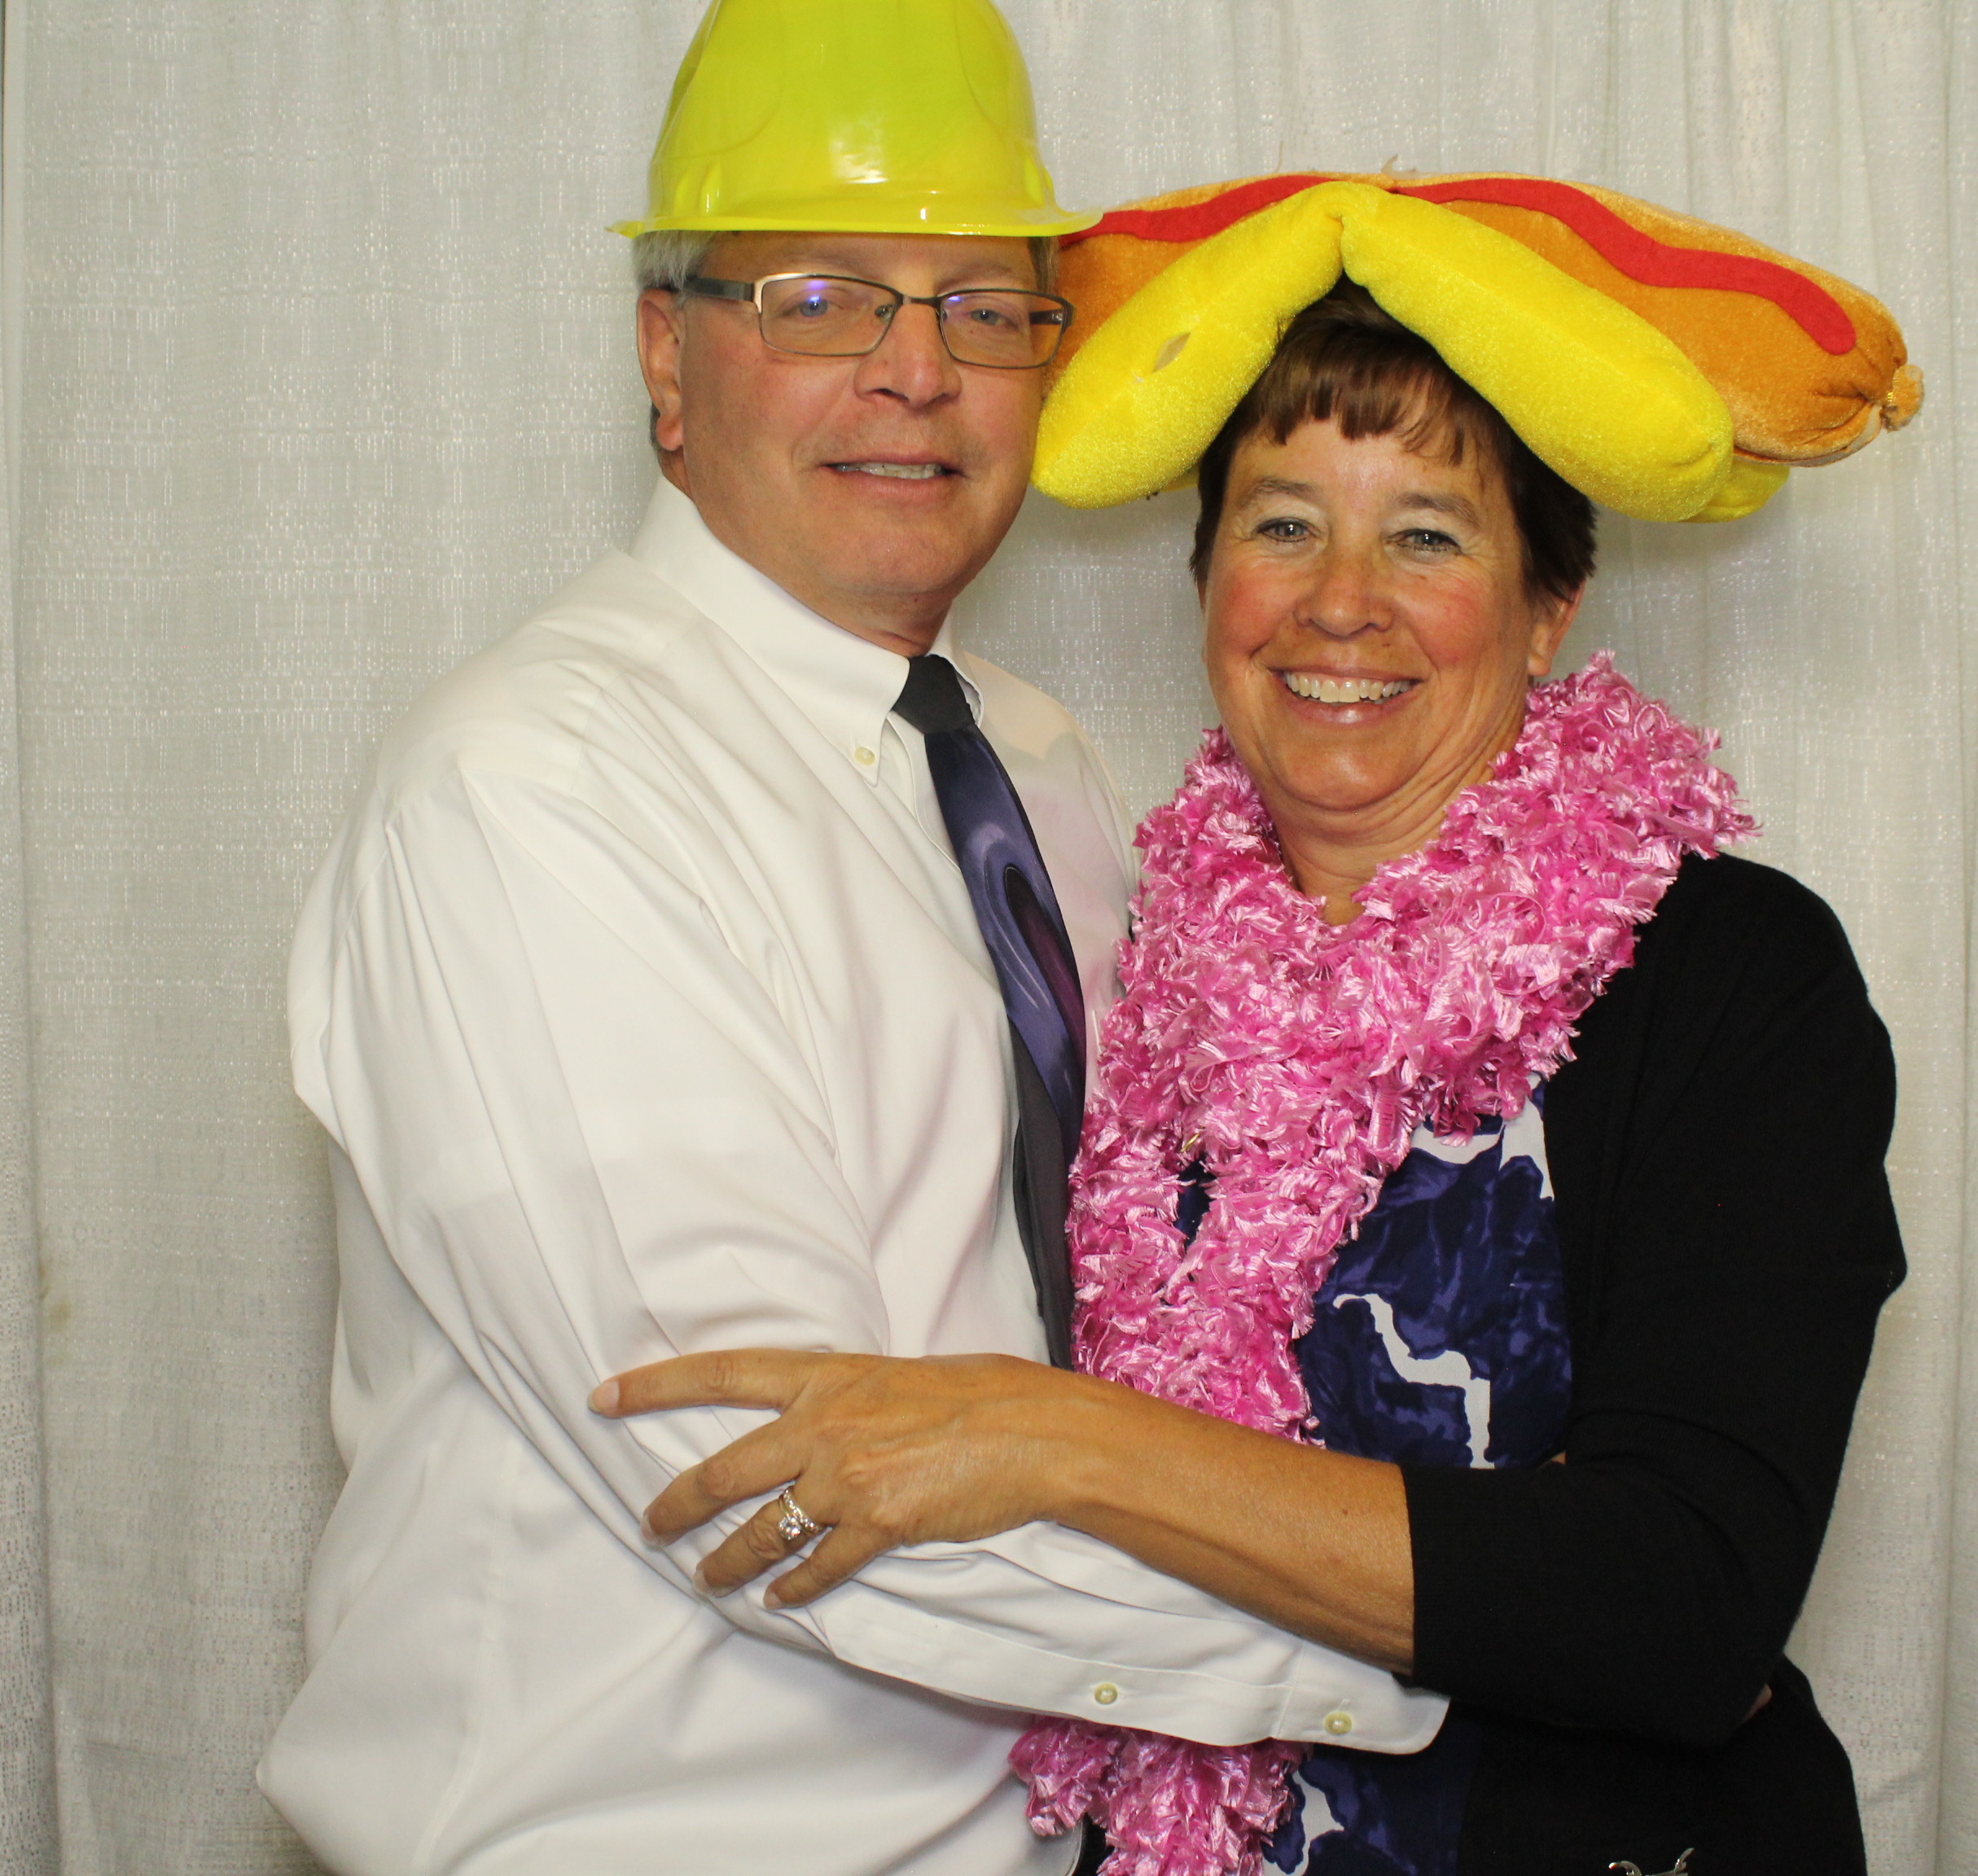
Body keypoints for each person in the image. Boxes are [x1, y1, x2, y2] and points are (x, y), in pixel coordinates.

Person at [256, 9, 1450, 1874]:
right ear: (668, 354)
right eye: (821, 297)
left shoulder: (1038, 761)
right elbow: (785, 1499)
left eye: (987, 308)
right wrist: (1461, 1649)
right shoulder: (528, 796)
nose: (918, 376)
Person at [602, 279, 1909, 1875]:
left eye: (1427, 535)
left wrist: (1062, 1445)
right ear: (1207, 576)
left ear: (1551, 603)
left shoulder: (1732, 975)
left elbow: (1678, 1604)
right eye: (1284, 525)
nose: (1339, 604)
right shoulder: (1116, 962)